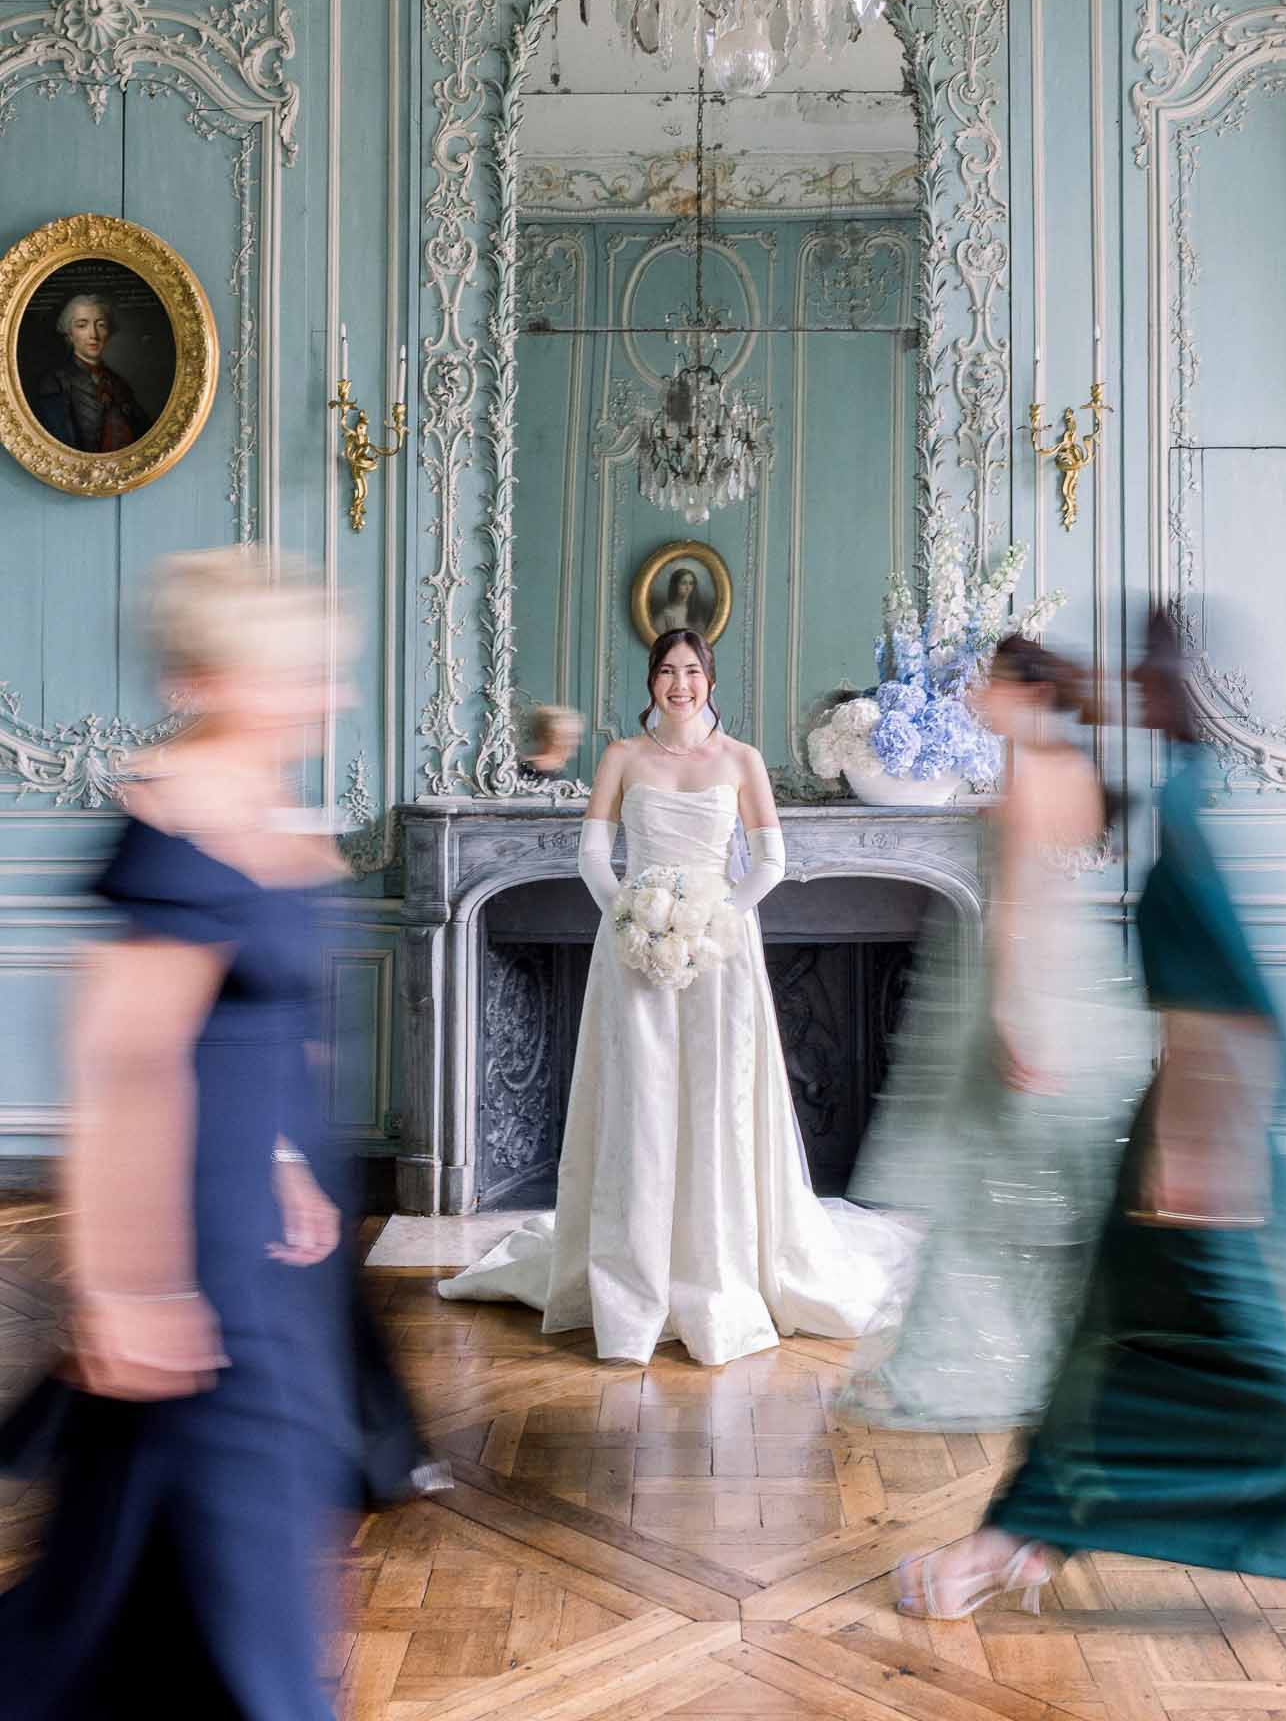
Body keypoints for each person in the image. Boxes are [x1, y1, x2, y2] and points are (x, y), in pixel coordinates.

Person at [896, 610, 1286, 1622]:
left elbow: (1240, 1003)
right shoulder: (1175, 799)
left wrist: (1205, 1152)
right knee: (1110, 1348)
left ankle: (1028, 1534)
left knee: (1282, 1369)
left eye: (1154, 670)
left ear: (1186, 687)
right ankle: (1021, 1532)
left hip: (1217, 1148)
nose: (1139, 687)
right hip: (1174, 1134)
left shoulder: (1198, 814)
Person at [0, 548, 357, 1718]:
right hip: (201, 1270)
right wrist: (123, 1291)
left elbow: (247, 1031)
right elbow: (124, 1068)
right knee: (253, 1623)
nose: (325, 693)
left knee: (126, 1588)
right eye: (299, 671)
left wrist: (287, 1157)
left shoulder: (259, 801)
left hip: (268, 1254)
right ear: (221, 675)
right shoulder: (177, 817)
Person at [439, 629, 912, 1367]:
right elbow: (592, 853)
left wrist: (719, 917)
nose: (679, 683)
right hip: (632, 945)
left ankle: (718, 1264)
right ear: (651, 680)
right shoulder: (622, 758)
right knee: (643, 1096)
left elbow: (772, 859)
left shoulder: (740, 760)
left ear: (710, 679)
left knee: (718, 1095)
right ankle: (634, 1266)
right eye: (666, 671)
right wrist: (626, 912)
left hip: (721, 950)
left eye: (691, 671)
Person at [844, 635, 1151, 1431]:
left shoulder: (1025, 779)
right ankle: (1082, 1349)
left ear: (1023, 691)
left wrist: (1014, 1021)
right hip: (1088, 984)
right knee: (1053, 1195)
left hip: (1028, 994)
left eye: (988, 682)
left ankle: (990, 1364)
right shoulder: (1076, 771)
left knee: (986, 1197)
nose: (977, 694)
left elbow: (1018, 912)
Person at [30, 294, 150, 452]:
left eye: (101, 325)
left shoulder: (118, 384)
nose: (93, 335)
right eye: (82, 325)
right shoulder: (55, 382)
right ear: (69, 334)